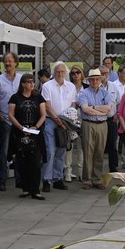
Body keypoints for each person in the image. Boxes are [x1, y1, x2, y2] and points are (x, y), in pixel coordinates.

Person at [8, 74, 47, 200]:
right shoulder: (15, 97)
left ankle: (35, 189)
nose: (31, 84)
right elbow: (11, 115)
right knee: (22, 161)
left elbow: (43, 115)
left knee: (35, 161)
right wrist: (21, 128)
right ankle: (25, 188)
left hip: (35, 133)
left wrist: (35, 127)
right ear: (23, 84)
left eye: (32, 82)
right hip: (20, 132)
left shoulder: (38, 97)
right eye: (28, 82)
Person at [39, 61, 76, 191]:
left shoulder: (71, 86)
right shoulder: (47, 86)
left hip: (65, 123)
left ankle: (57, 178)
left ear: (66, 73)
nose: (60, 74)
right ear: (53, 73)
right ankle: (46, 180)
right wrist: (59, 120)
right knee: (50, 151)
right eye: (58, 71)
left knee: (61, 151)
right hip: (51, 121)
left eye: (62, 71)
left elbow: (73, 104)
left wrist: (67, 121)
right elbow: (47, 106)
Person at [0, 52, 23, 192]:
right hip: (5, 120)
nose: (8, 64)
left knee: (19, 150)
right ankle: (2, 180)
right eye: (6, 61)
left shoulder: (21, 79)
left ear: (16, 63)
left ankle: (19, 179)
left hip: (19, 122)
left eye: (10, 61)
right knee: (3, 152)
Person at [77, 68, 112, 188]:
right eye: (92, 80)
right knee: (88, 152)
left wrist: (93, 108)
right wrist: (101, 111)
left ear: (100, 80)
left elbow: (108, 108)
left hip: (102, 125)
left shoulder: (105, 93)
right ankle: (87, 180)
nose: (95, 81)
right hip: (88, 124)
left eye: (97, 79)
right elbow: (85, 109)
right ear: (89, 81)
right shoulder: (83, 93)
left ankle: (97, 179)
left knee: (100, 152)